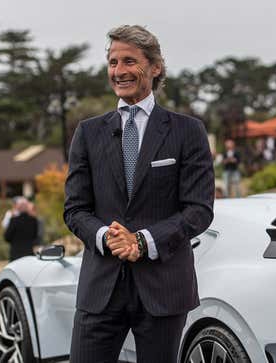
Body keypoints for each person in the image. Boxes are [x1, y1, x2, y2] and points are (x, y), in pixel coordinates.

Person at [63, 25, 214, 363]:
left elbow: (199, 210)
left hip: (164, 288)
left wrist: (142, 242)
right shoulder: (88, 133)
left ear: (155, 66)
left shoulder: (188, 131)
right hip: (100, 287)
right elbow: (75, 209)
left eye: (129, 61)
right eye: (113, 62)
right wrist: (107, 237)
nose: (119, 71)